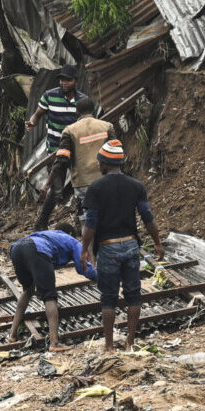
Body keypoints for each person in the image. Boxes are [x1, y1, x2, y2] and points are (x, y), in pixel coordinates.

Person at [81, 143, 164, 353]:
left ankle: (109, 346)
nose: (98, 164)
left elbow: (90, 223)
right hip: (130, 245)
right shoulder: (136, 186)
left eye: (99, 161)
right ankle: (130, 343)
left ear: (106, 163)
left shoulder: (96, 189)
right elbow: (147, 217)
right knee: (133, 295)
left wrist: (84, 250)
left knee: (108, 298)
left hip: (108, 247)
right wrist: (157, 242)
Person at [6, 222, 98, 352]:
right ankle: (54, 343)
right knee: (50, 297)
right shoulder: (71, 240)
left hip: (16, 249)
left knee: (28, 290)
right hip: (37, 250)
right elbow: (83, 268)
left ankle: (12, 334)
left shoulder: (48, 235)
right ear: (71, 234)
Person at [25, 65, 86, 230]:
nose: (64, 83)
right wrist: (32, 122)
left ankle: (80, 225)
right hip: (55, 152)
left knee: (79, 187)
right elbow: (37, 114)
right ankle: (41, 224)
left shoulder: (82, 101)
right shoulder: (49, 96)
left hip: (76, 152)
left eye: (68, 80)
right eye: (62, 79)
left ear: (75, 81)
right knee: (57, 190)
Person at [50, 97, 116, 211]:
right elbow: (116, 152)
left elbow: (62, 160)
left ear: (77, 112)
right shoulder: (107, 126)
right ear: (94, 110)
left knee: (86, 219)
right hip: (106, 179)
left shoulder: (69, 131)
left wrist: (48, 183)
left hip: (83, 182)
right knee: (109, 213)